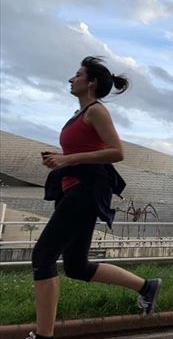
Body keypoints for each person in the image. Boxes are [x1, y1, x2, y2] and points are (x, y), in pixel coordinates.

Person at [29, 57, 160, 339]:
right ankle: (146, 286)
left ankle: (43, 335)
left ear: (91, 83)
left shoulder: (96, 112)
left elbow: (117, 152)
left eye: (77, 75)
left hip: (86, 191)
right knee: (76, 266)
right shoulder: (79, 115)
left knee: (43, 256)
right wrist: (58, 159)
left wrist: (68, 159)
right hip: (73, 190)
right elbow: (84, 151)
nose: (71, 79)